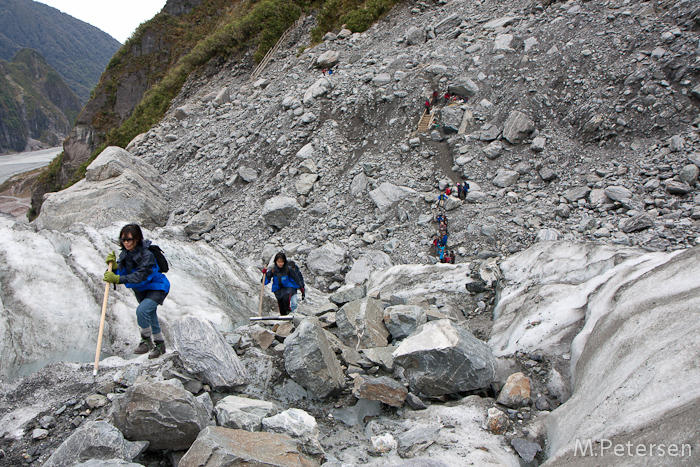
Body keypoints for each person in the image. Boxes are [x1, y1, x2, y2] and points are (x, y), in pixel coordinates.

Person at [103, 224, 170, 359]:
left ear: (137, 239)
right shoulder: (125, 254)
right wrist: (114, 268)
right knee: (150, 315)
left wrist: (117, 278)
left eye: (129, 239)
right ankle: (160, 345)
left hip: (157, 287)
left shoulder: (147, 255)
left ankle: (146, 340)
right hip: (141, 290)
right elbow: (121, 272)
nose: (126, 243)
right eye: (123, 240)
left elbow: (142, 276)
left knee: (142, 311)